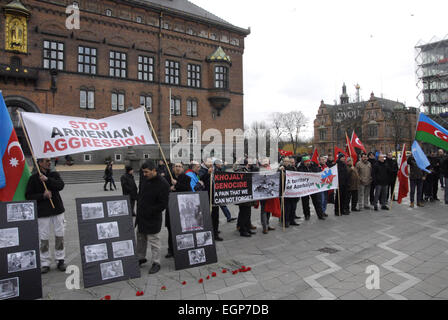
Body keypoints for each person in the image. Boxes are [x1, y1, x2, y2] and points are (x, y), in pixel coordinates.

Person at [25, 158, 66, 274]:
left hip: (57, 210)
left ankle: (60, 259)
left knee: (60, 236)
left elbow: (60, 185)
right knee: (43, 238)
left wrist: (47, 180)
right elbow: (28, 195)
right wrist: (42, 195)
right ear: (39, 163)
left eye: (50, 160)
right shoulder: (33, 178)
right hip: (43, 213)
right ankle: (45, 262)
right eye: (46, 161)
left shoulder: (54, 175)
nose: (49, 163)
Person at [136, 161, 170, 274]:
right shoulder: (145, 178)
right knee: (140, 238)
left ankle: (156, 262)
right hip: (141, 216)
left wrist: (150, 211)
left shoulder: (163, 184)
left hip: (152, 217)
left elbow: (163, 204)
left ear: (154, 171)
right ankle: (140, 258)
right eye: (143, 172)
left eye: (146, 172)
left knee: (154, 240)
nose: (144, 174)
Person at [165, 162, 191, 258]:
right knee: (171, 229)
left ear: (182, 168)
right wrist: (169, 188)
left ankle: (182, 247)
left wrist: (177, 184)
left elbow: (187, 190)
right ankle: (170, 250)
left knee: (182, 228)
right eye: (176, 166)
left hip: (182, 208)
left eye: (180, 166)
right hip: (171, 207)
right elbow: (163, 190)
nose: (178, 168)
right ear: (173, 168)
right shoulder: (167, 177)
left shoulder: (186, 178)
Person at [198, 159, 223, 241]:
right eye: (208, 162)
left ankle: (215, 231)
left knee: (215, 215)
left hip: (215, 196)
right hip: (207, 197)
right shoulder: (201, 170)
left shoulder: (214, 169)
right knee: (207, 215)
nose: (211, 164)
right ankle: (209, 231)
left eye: (211, 162)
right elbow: (201, 178)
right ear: (204, 162)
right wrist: (208, 173)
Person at [235, 159, 257, 237]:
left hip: (248, 196)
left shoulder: (246, 170)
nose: (249, 165)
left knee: (247, 213)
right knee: (244, 214)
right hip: (243, 196)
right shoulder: (240, 171)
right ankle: (243, 230)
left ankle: (247, 228)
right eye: (248, 163)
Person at [280, 157, 301, 226]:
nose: (287, 163)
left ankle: (292, 220)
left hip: (293, 191)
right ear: (283, 162)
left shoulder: (293, 168)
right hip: (285, 191)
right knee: (287, 207)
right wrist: (281, 171)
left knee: (293, 207)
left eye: (288, 161)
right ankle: (285, 221)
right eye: (285, 161)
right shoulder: (281, 169)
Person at [259, 158, 277, 234]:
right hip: (263, 193)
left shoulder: (271, 169)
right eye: (265, 162)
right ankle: (264, 227)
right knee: (264, 210)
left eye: (267, 162)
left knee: (268, 209)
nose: (266, 164)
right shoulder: (259, 170)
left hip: (270, 193)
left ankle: (267, 224)